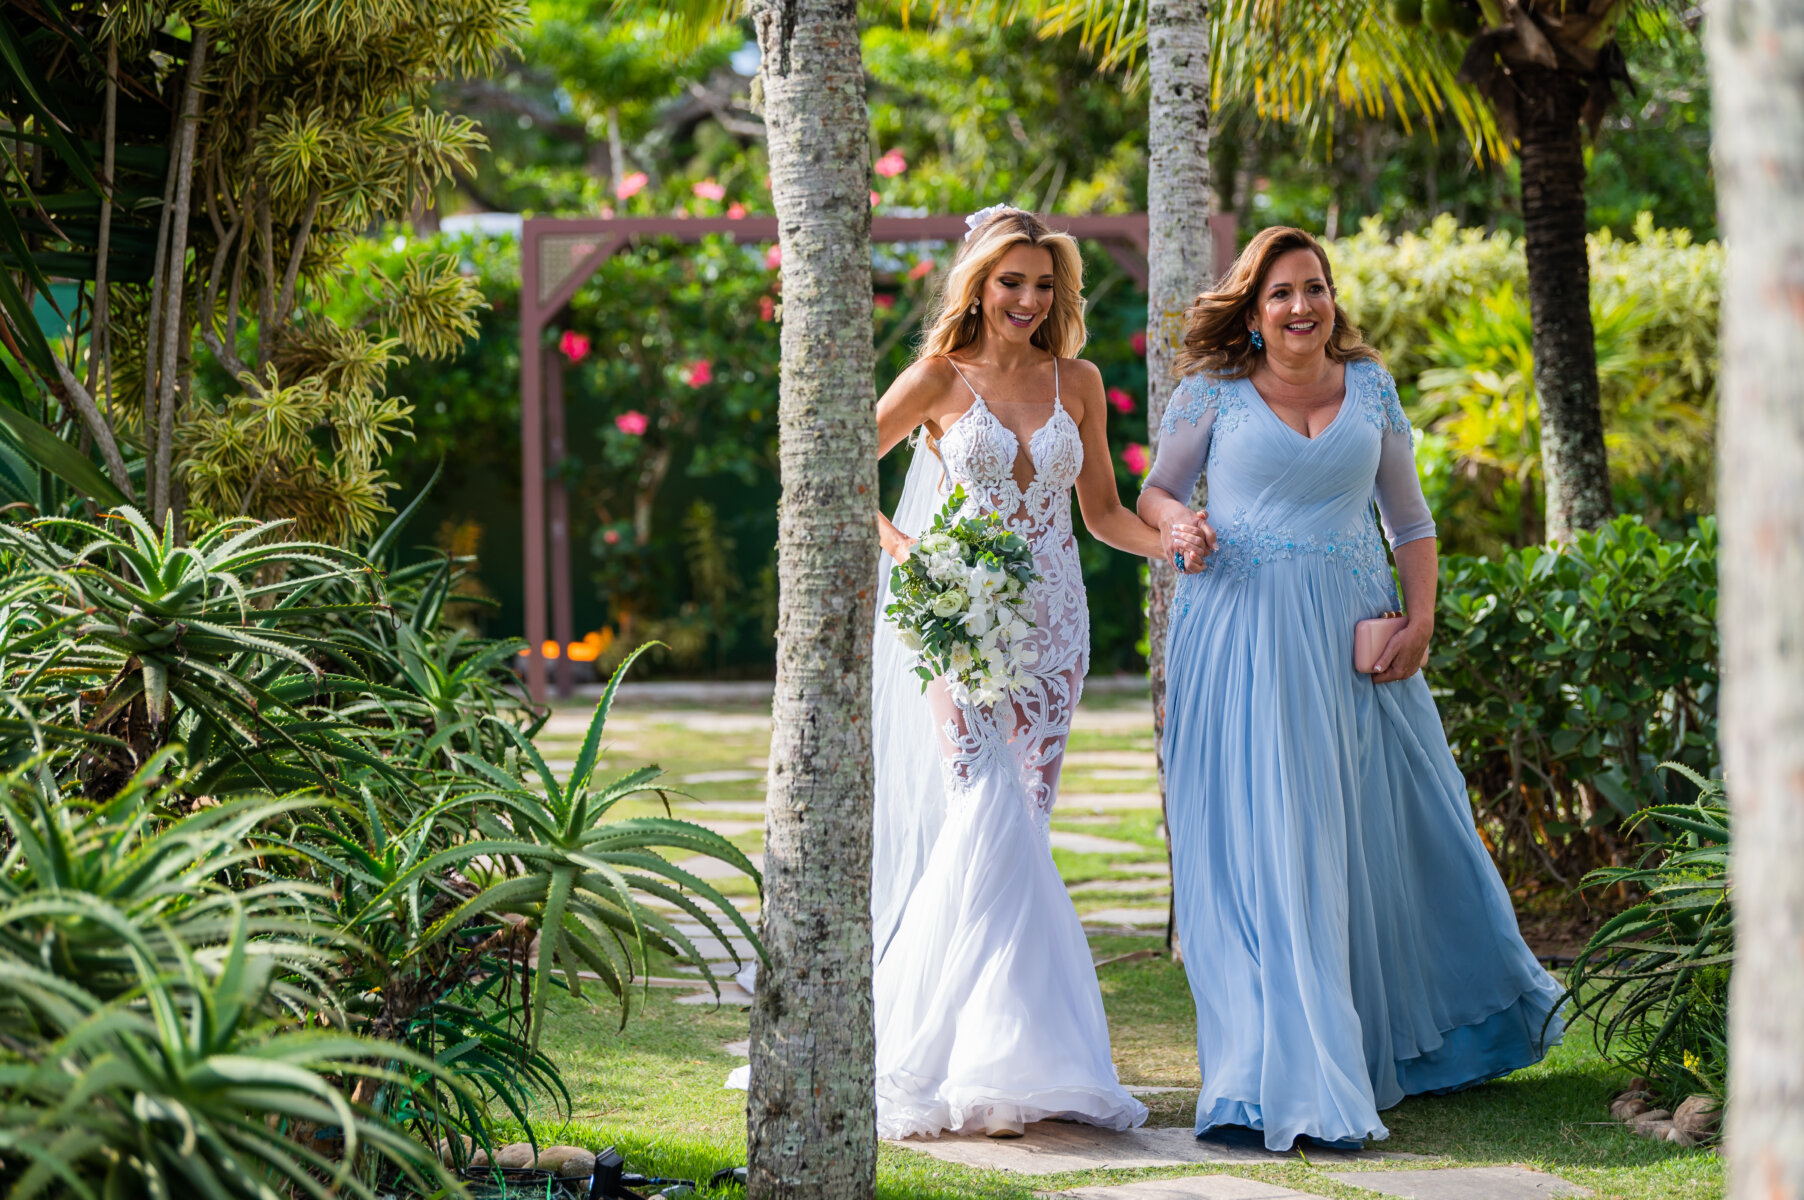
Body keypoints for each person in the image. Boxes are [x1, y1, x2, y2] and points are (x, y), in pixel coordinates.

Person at [1138, 226, 1565, 1153]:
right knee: (1265, 842)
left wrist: (1420, 622)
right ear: (1252, 315)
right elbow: (1155, 495)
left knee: (1375, 834)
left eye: (1315, 289)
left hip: (1352, 640)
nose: (1302, 307)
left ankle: (1411, 1035)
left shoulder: (1370, 387)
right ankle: (1264, 1078)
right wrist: (1185, 527)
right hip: (1240, 634)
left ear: (1333, 300)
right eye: (1281, 294)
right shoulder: (1210, 394)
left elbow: (1409, 519)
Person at [866, 206, 1164, 1140]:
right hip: (957, 623)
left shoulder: (1079, 380)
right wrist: (907, 551)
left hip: (1056, 628)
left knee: (1026, 821)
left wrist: (1179, 545)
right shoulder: (935, 379)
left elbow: (1107, 514)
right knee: (983, 807)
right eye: (1011, 283)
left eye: (1043, 285)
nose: (1029, 300)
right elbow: (830, 468)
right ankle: (943, 1052)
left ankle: (1018, 1055)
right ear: (979, 286)